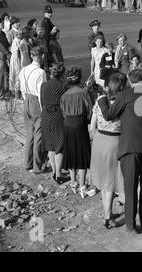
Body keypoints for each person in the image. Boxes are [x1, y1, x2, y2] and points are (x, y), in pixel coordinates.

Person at [97, 69, 142, 233]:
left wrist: (102, 99)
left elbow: (109, 115)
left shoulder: (125, 95)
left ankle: (131, 224)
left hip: (129, 148)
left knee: (130, 188)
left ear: (131, 81)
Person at [90, 72, 126, 229]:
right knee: (111, 181)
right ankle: (107, 217)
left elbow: (92, 126)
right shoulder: (123, 103)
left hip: (99, 141)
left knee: (104, 181)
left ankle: (108, 212)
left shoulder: (99, 101)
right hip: (114, 141)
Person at [60, 67, 93, 197]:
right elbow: (89, 110)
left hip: (67, 124)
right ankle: (82, 185)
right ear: (79, 79)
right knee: (82, 154)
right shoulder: (83, 93)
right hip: (80, 124)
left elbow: (63, 112)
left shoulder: (64, 95)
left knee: (71, 152)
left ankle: (73, 182)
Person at [19, 46, 48, 173]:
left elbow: (22, 89)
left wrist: (26, 101)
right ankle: (38, 165)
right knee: (39, 134)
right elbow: (41, 92)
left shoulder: (24, 70)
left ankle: (28, 162)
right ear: (41, 56)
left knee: (29, 133)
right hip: (36, 101)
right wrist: (44, 109)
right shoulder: (40, 72)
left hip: (27, 100)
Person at [40, 63, 66, 184]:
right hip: (57, 115)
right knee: (59, 145)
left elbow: (42, 101)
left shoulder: (44, 85)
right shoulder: (62, 86)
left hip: (46, 115)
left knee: (50, 145)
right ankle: (59, 175)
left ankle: (54, 171)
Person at [9, 29, 22, 98]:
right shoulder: (16, 41)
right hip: (16, 61)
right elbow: (16, 53)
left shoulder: (18, 40)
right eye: (20, 34)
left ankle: (17, 95)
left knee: (17, 76)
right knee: (17, 76)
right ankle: (16, 96)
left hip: (16, 60)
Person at [0, 16, 10, 100]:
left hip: (4, 57)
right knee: (0, 76)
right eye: (1, 23)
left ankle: (3, 92)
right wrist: (7, 53)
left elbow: (6, 43)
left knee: (3, 75)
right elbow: (1, 47)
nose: (3, 24)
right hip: (0, 57)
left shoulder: (2, 33)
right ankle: (0, 94)